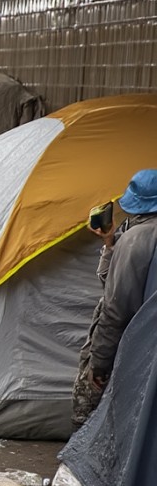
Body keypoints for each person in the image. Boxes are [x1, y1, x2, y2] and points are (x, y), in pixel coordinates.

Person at [88, 170, 157, 397]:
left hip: (141, 352)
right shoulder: (131, 239)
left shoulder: (134, 240)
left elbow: (115, 309)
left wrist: (99, 362)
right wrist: (110, 244)